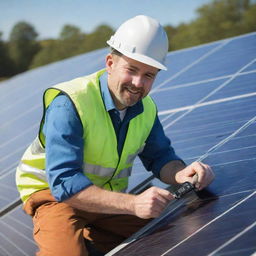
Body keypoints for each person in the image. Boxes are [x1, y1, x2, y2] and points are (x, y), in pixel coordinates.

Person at [16, 15, 214, 256]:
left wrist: (181, 173)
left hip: (105, 198)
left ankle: (95, 235)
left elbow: (160, 157)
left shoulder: (146, 108)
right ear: (110, 63)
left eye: (149, 75)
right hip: (54, 195)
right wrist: (133, 203)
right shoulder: (70, 103)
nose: (138, 83)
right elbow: (64, 184)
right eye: (131, 70)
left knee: (166, 235)